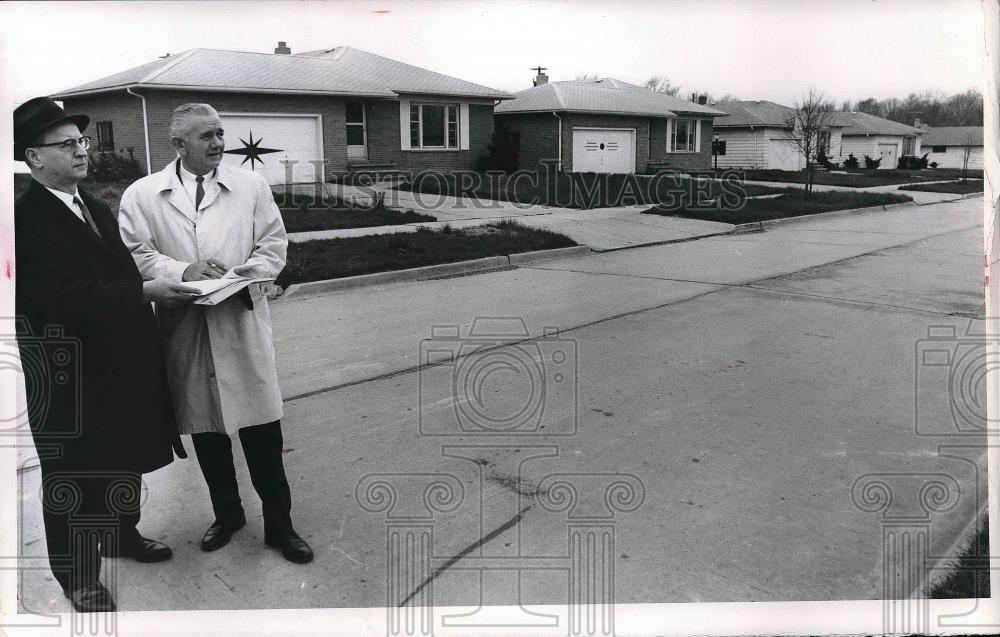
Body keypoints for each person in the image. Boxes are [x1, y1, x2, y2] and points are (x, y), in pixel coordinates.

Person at [14, 97, 197, 613]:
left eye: (83, 141)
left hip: (116, 360)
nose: (81, 151)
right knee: (73, 473)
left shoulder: (89, 204)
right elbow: (58, 298)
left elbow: (115, 273)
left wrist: (169, 279)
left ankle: (120, 534)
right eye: (67, 143)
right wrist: (145, 294)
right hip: (65, 371)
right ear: (34, 157)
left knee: (122, 455)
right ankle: (78, 579)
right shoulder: (23, 220)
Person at [118, 103, 312, 564]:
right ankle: (228, 515)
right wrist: (185, 269)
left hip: (240, 320)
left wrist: (245, 275)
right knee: (208, 430)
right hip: (186, 327)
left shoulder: (250, 186)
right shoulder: (144, 195)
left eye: (220, 134)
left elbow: (273, 242)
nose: (218, 145)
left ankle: (280, 526)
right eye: (206, 137)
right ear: (178, 143)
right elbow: (134, 252)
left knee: (262, 428)